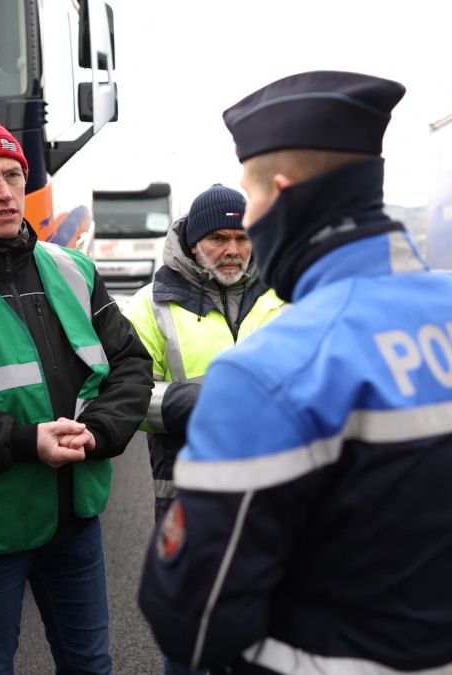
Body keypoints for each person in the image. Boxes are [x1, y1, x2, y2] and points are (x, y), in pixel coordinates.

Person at [136, 70, 452, 675]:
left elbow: (191, 619)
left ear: (282, 198)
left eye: (251, 202)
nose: (247, 232)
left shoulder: (268, 372)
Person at [0, 104, 152, 675]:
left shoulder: (71, 268)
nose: (6, 192)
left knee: (91, 666)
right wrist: (24, 441)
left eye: (13, 175)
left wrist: (101, 430)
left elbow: (131, 362)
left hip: (74, 521)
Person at [125, 183, 284, 675]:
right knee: (190, 633)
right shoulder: (149, 305)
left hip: (282, 491)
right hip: (189, 494)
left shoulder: (288, 292)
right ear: (192, 241)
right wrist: (192, 401)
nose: (232, 249)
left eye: (241, 236)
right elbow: (120, 395)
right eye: (217, 238)